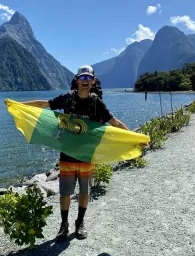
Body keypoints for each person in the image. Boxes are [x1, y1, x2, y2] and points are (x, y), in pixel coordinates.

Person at [18, 65, 134, 241]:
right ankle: (63, 226)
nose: (86, 81)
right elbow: (44, 105)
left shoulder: (96, 103)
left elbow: (114, 123)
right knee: (65, 193)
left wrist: (135, 138)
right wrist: (19, 105)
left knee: (84, 192)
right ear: (77, 80)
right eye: (83, 77)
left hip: (87, 155)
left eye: (89, 78)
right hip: (67, 154)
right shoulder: (66, 99)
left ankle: (79, 223)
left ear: (93, 81)